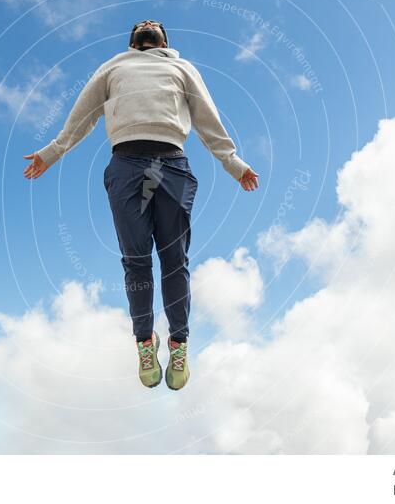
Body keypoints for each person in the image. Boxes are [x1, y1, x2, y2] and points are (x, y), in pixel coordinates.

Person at [24, 20, 259, 390]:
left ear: (165, 40)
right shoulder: (114, 67)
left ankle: (179, 343)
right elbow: (83, 115)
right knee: (136, 260)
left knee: (174, 259)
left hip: (172, 165)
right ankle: (145, 342)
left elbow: (206, 117)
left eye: (154, 25)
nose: (147, 25)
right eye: (140, 25)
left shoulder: (181, 68)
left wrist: (232, 163)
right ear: (133, 42)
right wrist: (53, 152)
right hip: (126, 165)